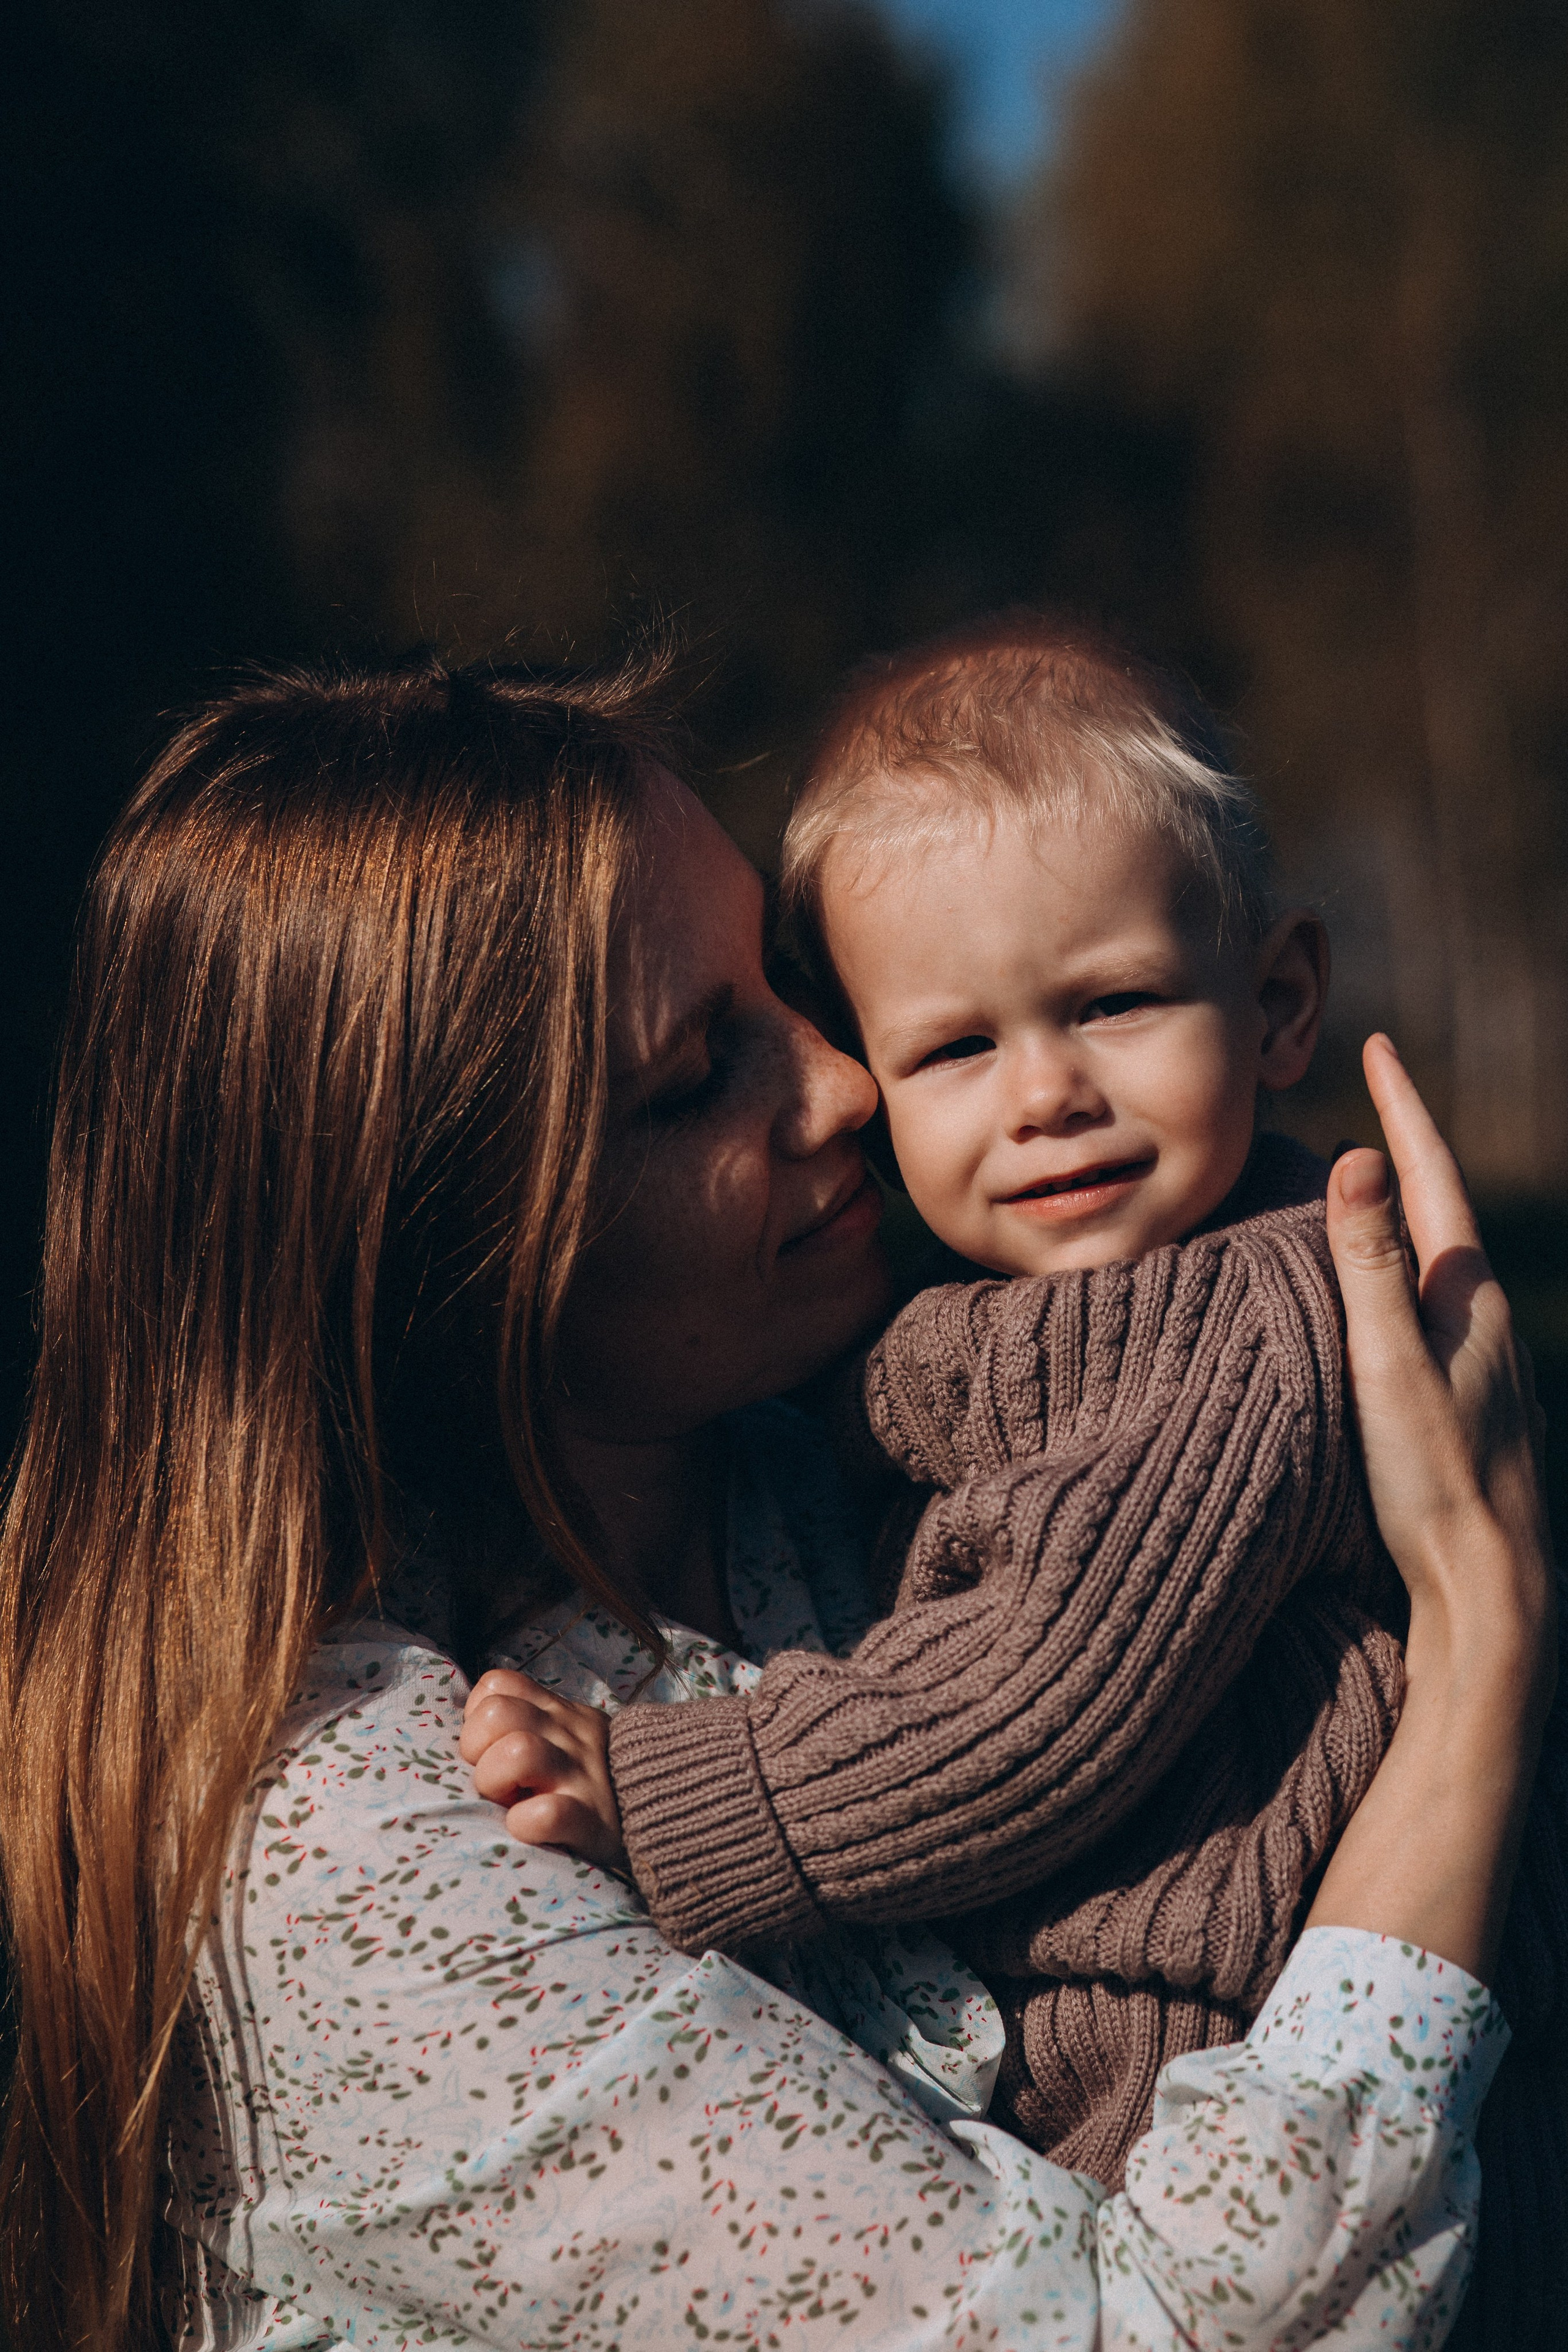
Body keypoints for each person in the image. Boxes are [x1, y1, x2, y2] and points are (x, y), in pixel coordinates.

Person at [0, 652, 1552, 2352]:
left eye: (792, 998)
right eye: (695, 1074)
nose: (845, 1090)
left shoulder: (811, 1488)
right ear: (441, 1261)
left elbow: (1036, 1689)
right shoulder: (357, 1854)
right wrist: (1481, 1643)